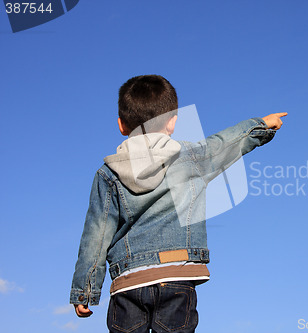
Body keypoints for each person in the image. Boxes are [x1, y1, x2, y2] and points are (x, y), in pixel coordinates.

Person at [69, 74, 286, 333]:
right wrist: (261, 125)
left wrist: (85, 291)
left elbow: (96, 235)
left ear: (121, 125)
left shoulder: (108, 174)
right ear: (172, 123)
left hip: (128, 284)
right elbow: (226, 143)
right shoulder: (191, 157)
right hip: (177, 276)